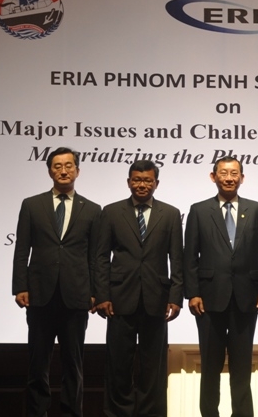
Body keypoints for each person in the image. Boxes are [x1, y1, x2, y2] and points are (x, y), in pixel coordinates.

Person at [12, 146, 101, 417]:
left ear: (77, 170)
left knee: (73, 364)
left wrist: (95, 292)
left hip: (76, 296)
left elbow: (95, 256)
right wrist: (20, 286)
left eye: (69, 165)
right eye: (57, 166)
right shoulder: (32, 205)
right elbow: (22, 249)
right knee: (38, 364)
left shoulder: (92, 209)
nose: (63, 171)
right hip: (40, 294)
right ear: (50, 171)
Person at [93, 160, 183, 417]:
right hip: (119, 298)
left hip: (157, 298)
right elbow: (101, 257)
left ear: (156, 183)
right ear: (129, 182)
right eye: (137, 180)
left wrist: (176, 297)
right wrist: (102, 295)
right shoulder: (111, 212)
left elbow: (177, 259)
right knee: (118, 365)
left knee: (153, 366)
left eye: (147, 180)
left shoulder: (171, 213)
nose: (142, 185)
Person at [183, 156, 258, 417]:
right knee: (210, 365)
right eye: (224, 173)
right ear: (213, 177)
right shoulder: (199, 210)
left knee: (242, 365)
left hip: (246, 296)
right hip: (208, 298)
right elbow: (190, 256)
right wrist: (193, 293)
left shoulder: (257, 209)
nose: (229, 178)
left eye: (234, 173)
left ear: (242, 178)